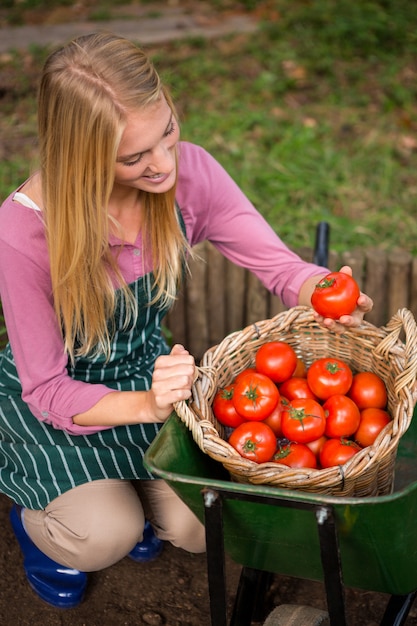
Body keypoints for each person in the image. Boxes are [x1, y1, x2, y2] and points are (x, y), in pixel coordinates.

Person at [0, 32, 373, 609]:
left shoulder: (189, 175)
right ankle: (42, 531)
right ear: (81, 155)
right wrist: (147, 407)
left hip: (149, 372)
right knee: (104, 534)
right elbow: (46, 387)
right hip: (60, 397)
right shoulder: (23, 233)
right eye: (135, 157)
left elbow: (278, 265)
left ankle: (133, 501)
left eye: (167, 132)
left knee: (202, 529)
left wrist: (326, 293)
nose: (165, 164)